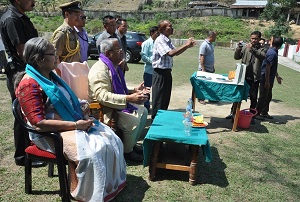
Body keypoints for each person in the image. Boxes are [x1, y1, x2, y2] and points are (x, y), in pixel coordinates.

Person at [14, 37, 126, 201]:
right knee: (91, 153)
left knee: (110, 139)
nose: (57, 57)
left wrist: (81, 106)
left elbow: (64, 99)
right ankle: (82, 193)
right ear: (39, 59)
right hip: (48, 134)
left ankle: (108, 187)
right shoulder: (29, 84)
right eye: (53, 54)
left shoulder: (50, 76)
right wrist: (75, 125)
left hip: (67, 124)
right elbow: (38, 123)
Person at [88, 38, 149, 162]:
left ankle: (130, 145)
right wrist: (128, 98)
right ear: (108, 53)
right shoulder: (100, 71)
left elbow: (117, 88)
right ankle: (127, 152)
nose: (122, 52)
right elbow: (102, 96)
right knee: (132, 122)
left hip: (113, 105)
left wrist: (133, 90)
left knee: (143, 111)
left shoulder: (111, 66)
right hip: (104, 110)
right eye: (118, 50)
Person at [0, 0, 43, 167]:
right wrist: (41, 63)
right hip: (19, 72)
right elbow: (22, 50)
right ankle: (22, 157)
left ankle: (31, 151)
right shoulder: (12, 19)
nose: (34, 1)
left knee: (29, 112)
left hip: (27, 71)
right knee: (21, 113)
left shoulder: (22, 17)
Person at [151, 20, 196, 119]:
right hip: (160, 74)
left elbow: (176, 52)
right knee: (159, 100)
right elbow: (170, 53)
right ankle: (156, 123)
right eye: (169, 26)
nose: (172, 28)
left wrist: (187, 47)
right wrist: (186, 45)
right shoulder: (160, 40)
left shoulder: (167, 40)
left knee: (165, 99)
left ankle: (161, 120)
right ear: (162, 29)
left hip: (166, 73)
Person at [225, 31, 267, 121]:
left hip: (254, 78)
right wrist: (239, 48)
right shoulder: (246, 47)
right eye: (252, 38)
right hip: (243, 76)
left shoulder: (262, 49)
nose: (253, 40)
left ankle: (252, 117)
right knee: (237, 96)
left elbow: (262, 56)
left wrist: (253, 49)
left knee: (253, 98)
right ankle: (232, 113)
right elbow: (236, 57)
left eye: (255, 38)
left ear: (259, 39)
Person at [255, 36, 284, 120]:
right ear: (281, 45)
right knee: (263, 96)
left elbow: (272, 67)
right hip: (265, 78)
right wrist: (267, 81)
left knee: (268, 96)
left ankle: (264, 112)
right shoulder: (272, 53)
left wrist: (277, 76)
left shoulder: (273, 52)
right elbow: (267, 67)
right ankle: (257, 113)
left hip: (269, 78)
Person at [140, 26, 159, 111]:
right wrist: (153, 61)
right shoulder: (146, 43)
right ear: (152, 33)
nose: (158, 35)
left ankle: (156, 106)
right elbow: (144, 57)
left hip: (158, 71)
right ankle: (146, 107)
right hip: (149, 71)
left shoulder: (159, 43)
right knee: (147, 90)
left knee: (157, 90)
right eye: (157, 33)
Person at [198, 30, 217, 104]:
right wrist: (203, 69)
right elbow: (202, 57)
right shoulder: (204, 44)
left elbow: (210, 56)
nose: (216, 38)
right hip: (204, 68)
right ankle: (200, 98)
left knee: (210, 84)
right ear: (211, 36)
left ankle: (210, 98)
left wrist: (212, 67)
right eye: (215, 36)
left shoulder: (211, 44)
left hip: (210, 68)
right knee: (202, 84)